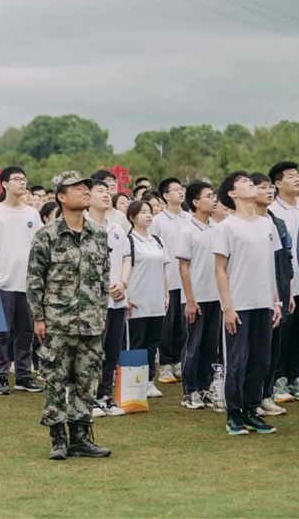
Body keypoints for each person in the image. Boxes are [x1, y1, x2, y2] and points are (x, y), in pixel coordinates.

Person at [27, 170, 111, 460]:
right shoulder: (47, 235)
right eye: (78, 188)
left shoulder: (98, 234)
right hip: (57, 323)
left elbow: (103, 278)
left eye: (87, 187)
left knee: (87, 381)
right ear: (61, 197)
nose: (86, 191)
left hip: (90, 322)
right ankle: (57, 439)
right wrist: (38, 317)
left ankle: (80, 437)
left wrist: (101, 312)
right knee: (55, 380)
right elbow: (35, 280)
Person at [213, 171, 281, 435]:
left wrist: (275, 300)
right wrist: (227, 307)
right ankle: (234, 414)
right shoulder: (225, 227)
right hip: (238, 305)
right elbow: (220, 269)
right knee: (237, 361)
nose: (251, 184)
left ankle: (253, 411)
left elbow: (270, 266)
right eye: (244, 182)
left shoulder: (267, 224)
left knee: (261, 360)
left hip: (263, 303)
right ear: (232, 193)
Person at [0, 166, 43, 395]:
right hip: (0, 282)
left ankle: (23, 376)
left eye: (24, 179)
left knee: (26, 331)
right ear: (5, 184)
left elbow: (38, 248)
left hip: (28, 284)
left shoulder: (32, 214)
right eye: (16, 179)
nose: (22, 182)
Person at [176, 182, 221, 410]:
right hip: (196, 298)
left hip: (216, 297)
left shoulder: (217, 228)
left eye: (214, 196)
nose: (214, 200)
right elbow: (183, 267)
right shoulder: (187, 230)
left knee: (210, 347)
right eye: (208, 196)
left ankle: (204, 388)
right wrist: (190, 300)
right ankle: (189, 391)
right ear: (195, 202)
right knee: (192, 346)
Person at [87, 180, 130, 418]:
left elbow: (126, 258)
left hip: (117, 300)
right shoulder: (83, 227)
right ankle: (89, 397)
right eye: (100, 191)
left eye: (107, 191)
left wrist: (122, 283)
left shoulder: (117, 228)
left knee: (112, 351)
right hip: (94, 302)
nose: (106, 195)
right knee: (93, 351)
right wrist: (103, 287)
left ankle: (105, 396)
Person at [251, 173, 291, 415]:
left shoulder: (277, 223)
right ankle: (251, 399)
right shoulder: (245, 222)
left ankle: (266, 394)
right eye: (263, 187)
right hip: (253, 295)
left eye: (270, 188)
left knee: (273, 348)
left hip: (278, 293)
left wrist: (288, 295)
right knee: (254, 350)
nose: (269, 192)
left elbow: (286, 260)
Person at [267, 161, 299, 401]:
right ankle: (278, 379)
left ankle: (296, 377)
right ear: (278, 183)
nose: (297, 178)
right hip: (282, 280)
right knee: (282, 331)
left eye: (298, 175)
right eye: (291, 176)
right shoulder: (272, 212)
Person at [126, 200, 168, 399]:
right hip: (137, 301)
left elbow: (163, 270)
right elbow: (124, 270)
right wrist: (127, 296)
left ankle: (150, 380)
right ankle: (134, 383)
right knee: (137, 342)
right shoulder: (129, 241)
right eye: (143, 212)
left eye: (150, 212)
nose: (149, 215)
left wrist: (166, 294)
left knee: (153, 342)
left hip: (156, 301)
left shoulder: (158, 240)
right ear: (132, 217)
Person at [151, 177, 190, 384]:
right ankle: (165, 364)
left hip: (187, 280)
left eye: (182, 189)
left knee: (183, 324)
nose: (181, 192)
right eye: (176, 190)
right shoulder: (158, 221)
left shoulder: (189, 218)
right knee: (167, 323)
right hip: (167, 278)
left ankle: (178, 360)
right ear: (166, 196)